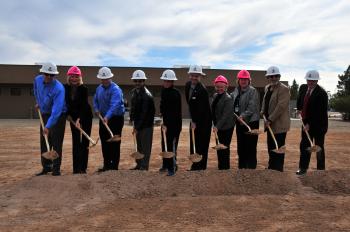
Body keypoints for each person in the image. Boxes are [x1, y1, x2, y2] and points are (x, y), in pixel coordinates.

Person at [33, 62, 66, 176]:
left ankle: (56, 169)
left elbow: (56, 111)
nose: (49, 77)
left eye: (52, 75)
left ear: (55, 75)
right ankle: (46, 167)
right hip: (44, 113)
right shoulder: (37, 80)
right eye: (47, 74)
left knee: (56, 142)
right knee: (44, 141)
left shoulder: (59, 89)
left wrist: (48, 126)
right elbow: (36, 91)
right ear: (42, 73)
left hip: (58, 116)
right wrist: (38, 102)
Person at [296, 70, 328, 175]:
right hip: (305, 123)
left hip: (319, 125)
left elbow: (320, 113)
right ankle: (303, 168)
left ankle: (320, 169)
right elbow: (300, 100)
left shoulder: (322, 94)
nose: (310, 83)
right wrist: (299, 109)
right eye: (309, 80)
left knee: (318, 147)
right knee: (304, 145)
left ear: (317, 81)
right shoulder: (303, 87)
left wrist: (310, 124)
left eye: (313, 81)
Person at [93, 67, 125, 172]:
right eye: (102, 79)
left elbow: (114, 105)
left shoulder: (116, 89)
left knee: (115, 143)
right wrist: (96, 109)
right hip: (103, 118)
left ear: (110, 77)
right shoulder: (99, 88)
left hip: (115, 119)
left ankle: (114, 166)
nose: (104, 81)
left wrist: (107, 116)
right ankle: (106, 165)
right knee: (105, 141)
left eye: (106, 78)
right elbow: (95, 100)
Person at [261, 66, 290, 172]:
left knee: (279, 148)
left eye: (276, 76)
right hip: (269, 124)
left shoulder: (284, 89)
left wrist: (270, 119)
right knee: (271, 146)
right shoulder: (267, 88)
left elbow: (281, 107)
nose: (273, 78)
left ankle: (278, 169)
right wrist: (262, 111)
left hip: (279, 124)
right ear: (268, 77)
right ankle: (271, 167)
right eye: (271, 76)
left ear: (279, 76)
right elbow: (266, 102)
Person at [64, 66, 93, 174]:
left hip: (85, 116)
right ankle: (76, 168)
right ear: (69, 77)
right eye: (72, 76)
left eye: (76, 76)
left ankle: (83, 168)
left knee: (84, 142)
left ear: (79, 77)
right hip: (73, 117)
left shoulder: (83, 89)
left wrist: (79, 119)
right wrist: (67, 115)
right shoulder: (65, 88)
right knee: (76, 141)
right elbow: (65, 103)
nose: (74, 78)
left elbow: (84, 105)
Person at [231, 70, 260, 169]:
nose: (243, 81)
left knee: (250, 147)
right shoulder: (236, 91)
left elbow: (252, 107)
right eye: (241, 79)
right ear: (238, 80)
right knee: (241, 147)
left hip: (251, 123)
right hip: (240, 123)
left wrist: (242, 115)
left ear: (249, 80)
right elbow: (231, 101)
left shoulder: (253, 91)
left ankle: (251, 169)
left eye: (245, 79)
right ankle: (242, 168)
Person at [185, 65, 212, 170]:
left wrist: (195, 122)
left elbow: (202, 110)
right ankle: (195, 165)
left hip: (204, 122)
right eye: (192, 75)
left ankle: (201, 167)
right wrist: (193, 120)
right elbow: (190, 103)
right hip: (194, 120)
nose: (194, 78)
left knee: (202, 144)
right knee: (194, 143)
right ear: (189, 75)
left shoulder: (202, 90)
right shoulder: (188, 85)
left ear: (200, 76)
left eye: (196, 76)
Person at [129, 70, 155, 170]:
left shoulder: (146, 95)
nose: (137, 83)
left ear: (143, 81)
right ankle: (139, 164)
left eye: (139, 81)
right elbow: (134, 107)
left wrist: (137, 127)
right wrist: (131, 118)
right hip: (138, 124)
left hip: (146, 125)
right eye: (135, 81)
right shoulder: (135, 92)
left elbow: (144, 114)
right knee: (139, 146)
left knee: (145, 147)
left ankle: (144, 166)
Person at [158, 70, 182, 176]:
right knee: (164, 144)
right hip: (165, 124)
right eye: (165, 81)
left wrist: (167, 125)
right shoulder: (163, 91)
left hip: (174, 125)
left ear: (172, 81)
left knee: (171, 146)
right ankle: (165, 164)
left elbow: (175, 113)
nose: (166, 83)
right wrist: (161, 114)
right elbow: (162, 106)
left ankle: (172, 167)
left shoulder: (175, 94)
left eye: (169, 81)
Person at [211, 75, 234, 170]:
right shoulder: (215, 96)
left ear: (226, 87)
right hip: (217, 126)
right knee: (219, 147)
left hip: (226, 127)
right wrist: (214, 123)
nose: (219, 88)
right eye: (217, 86)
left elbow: (225, 116)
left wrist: (217, 126)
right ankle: (221, 166)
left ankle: (225, 168)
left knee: (224, 148)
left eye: (221, 87)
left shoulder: (228, 98)